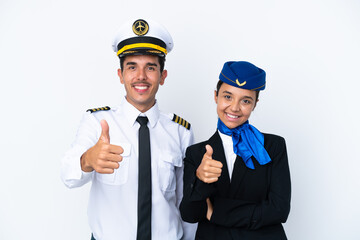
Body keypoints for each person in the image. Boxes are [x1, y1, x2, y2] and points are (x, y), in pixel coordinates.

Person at [61, 19, 196, 240]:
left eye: (150, 67)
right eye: (132, 67)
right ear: (120, 75)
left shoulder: (181, 131)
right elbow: (68, 175)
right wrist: (87, 159)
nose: (140, 76)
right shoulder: (97, 122)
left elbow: (185, 202)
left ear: (162, 76)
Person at [179, 61, 291, 239]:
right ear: (216, 96)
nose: (234, 107)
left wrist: (216, 213)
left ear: (255, 104)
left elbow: (279, 210)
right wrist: (200, 180)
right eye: (228, 97)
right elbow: (190, 215)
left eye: (246, 101)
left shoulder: (273, 146)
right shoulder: (197, 153)